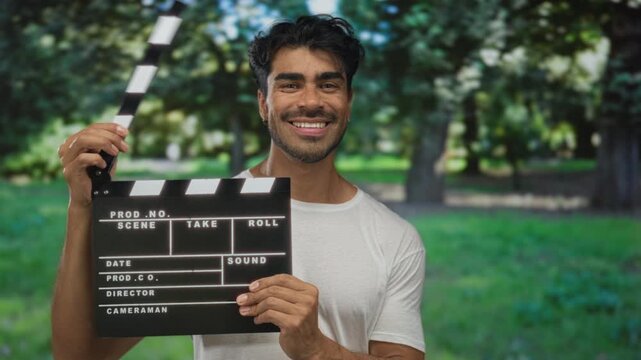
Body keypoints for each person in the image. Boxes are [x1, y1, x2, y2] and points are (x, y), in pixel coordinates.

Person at [52, 15, 425, 359]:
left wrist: (318, 351)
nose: (311, 101)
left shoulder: (394, 238)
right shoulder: (200, 215)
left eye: (328, 84)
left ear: (348, 101)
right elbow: (79, 355)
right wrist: (82, 208)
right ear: (263, 103)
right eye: (290, 84)